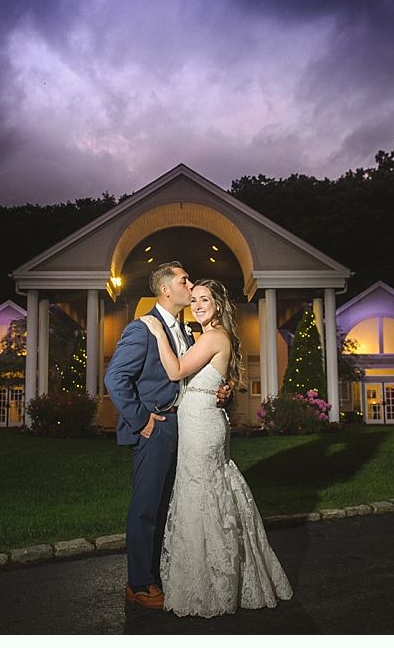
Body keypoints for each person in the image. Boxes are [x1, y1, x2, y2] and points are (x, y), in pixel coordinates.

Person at [138, 278, 293, 618]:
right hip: (202, 418)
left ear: (218, 305)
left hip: (202, 425)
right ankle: (203, 574)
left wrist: (157, 331)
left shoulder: (213, 337)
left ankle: (212, 582)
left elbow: (177, 369)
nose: (196, 305)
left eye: (204, 299)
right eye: (193, 299)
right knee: (205, 493)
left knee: (203, 494)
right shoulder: (209, 337)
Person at [104, 261, 229, 610]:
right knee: (146, 507)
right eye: (184, 280)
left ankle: (160, 575)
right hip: (155, 427)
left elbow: (191, 376)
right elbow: (115, 379)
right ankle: (140, 584)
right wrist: (141, 420)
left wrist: (219, 390)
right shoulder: (143, 329)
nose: (190, 286)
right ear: (166, 290)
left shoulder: (189, 331)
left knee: (169, 507)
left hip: (186, 427)